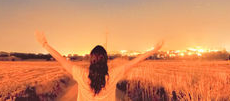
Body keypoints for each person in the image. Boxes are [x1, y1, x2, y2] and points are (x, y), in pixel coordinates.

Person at [35, 31, 164, 101]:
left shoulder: (81, 75)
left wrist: (45, 44)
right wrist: (154, 50)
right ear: (105, 60)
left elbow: (62, 60)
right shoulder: (113, 75)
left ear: (92, 60)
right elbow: (136, 61)